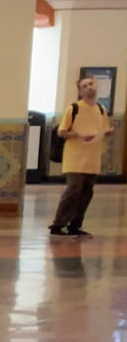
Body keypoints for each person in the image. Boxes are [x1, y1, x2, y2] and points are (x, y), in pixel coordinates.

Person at [52, 75, 110, 239]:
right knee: (73, 190)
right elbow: (61, 131)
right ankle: (58, 224)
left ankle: (75, 225)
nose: (89, 88)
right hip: (75, 157)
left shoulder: (101, 109)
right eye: (85, 86)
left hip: (92, 158)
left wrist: (106, 133)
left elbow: (104, 130)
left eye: (91, 84)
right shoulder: (74, 108)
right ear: (80, 91)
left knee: (87, 192)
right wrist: (76, 135)